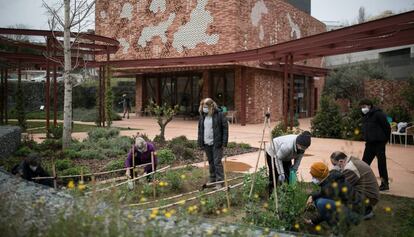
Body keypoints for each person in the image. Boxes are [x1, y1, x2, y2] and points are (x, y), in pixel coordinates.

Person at [330, 151, 379, 219]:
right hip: (370, 194)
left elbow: (340, 186)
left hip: (370, 198)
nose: (334, 166)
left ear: (341, 161)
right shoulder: (350, 160)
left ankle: (365, 212)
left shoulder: (350, 168)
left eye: (334, 164)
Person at [359, 99, 391, 191]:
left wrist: (385, 140)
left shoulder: (378, 114)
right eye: (361, 107)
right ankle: (362, 182)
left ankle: (385, 184)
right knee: (364, 164)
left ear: (369, 105)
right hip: (369, 144)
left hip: (379, 143)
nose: (362, 109)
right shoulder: (365, 115)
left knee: (381, 164)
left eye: (364, 106)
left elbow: (387, 127)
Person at [265, 131, 311, 195]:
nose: (303, 149)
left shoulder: (302, 147)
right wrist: (281, 173)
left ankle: (286, 193)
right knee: (274, 174)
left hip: (285, 156)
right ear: (297, 143)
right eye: (302, 147)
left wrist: (294, 168)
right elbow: (278, 159)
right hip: (273, 152)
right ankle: (271, 193)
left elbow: (298, 159)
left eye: (305, 148)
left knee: (288, 173)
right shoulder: (287, 146)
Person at [197, 98, 229, 189]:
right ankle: (213, 180)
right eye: (203, 106)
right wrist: (200, 143)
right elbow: (200, 130)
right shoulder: (203, 116)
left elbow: (225, 129)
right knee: (211, 162)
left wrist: (224, 142)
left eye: (206, 106)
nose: (204, 108)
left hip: (216, 142)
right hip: (207, 143)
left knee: (217, 162)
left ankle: (220, 181)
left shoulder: (219, 115)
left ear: (211, 106)